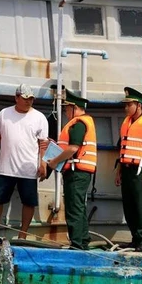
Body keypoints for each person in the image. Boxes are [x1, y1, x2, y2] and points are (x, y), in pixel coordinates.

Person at [0, 84, 49, 241]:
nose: (28, 102)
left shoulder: (39, 118)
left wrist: (43, 163)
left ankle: (22, 235)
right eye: (25, 99)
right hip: (5, 167)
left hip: (28, 169)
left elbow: (43, 144)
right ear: (16, 97)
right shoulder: (4, 114)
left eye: (31, 99)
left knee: (29, 201)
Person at [47, 89, 97, 250]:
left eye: (67, 108)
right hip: (79, 171)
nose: (66, 111)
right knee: (78, 206)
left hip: (77, 172)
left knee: (74, 208)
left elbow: (73, 148)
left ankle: (77, 243)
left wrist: (54, 161)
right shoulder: (83, 122)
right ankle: (82, 240)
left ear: (74, 108)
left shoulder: (78, 124)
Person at [115, 87, 142, 253]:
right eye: (125, 105)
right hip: (126, 169)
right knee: (129, 206)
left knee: (140, 206)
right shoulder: (126, 123)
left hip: (139, 170)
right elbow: (122, 149)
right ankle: (135, 239)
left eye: (129, 105)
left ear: (138, 105)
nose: (125, 108)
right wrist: (118, 171)